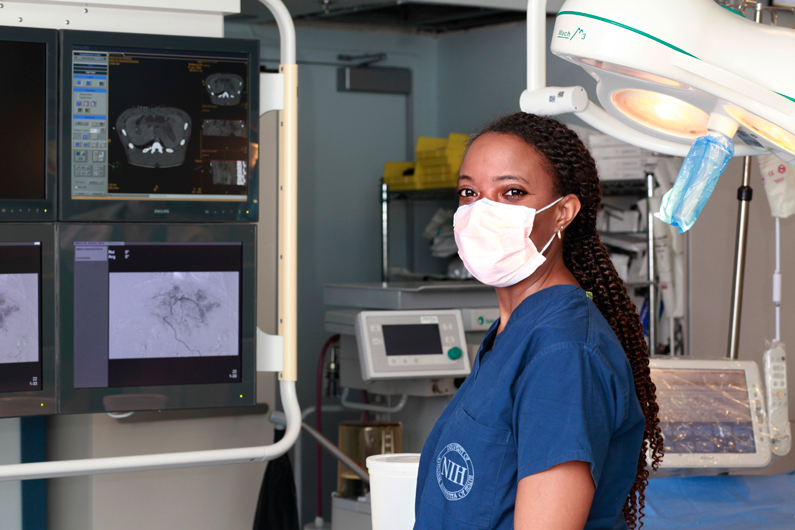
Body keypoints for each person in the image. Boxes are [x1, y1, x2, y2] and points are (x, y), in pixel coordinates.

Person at [413, 113, 663, 530]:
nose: (482, 211)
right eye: (469, 192)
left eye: (512, 192)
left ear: (563, 212)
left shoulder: (563, 355)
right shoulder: (514, 332)